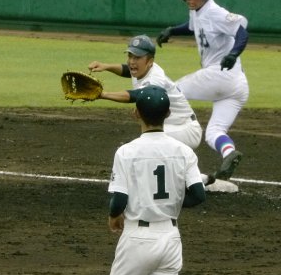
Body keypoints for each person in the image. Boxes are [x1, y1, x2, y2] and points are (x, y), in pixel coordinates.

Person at [105, 85, 206, 275]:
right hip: (170, 238)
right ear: (169, 113)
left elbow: (119, 199)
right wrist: (169, 205)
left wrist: (113, 216)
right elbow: (198, 195)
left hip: (138, 237)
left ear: (136, 113)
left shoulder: (126, 152)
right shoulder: (184, 151)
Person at [156, 0, 249, 180]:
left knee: (171, 92)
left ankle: (161, 142)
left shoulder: (215, 12)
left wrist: (234, 53)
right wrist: (172, 30)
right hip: (237, 86)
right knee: (214, 132)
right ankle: (229, 153)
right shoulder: (198, 11)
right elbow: (193, 26)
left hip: (220, 74)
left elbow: (242, 30)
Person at [89, 35, 215, 186]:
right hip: (172, 127)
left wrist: (103, 94)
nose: (132, 61)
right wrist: (106, 66)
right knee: (153, 147)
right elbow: (127, 70)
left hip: (185, 129)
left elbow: (136, 95)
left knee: (150, 146)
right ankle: (199, 179)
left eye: (137, 57)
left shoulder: (155, 79)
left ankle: (186, 179)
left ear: (150, 61)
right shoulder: (141, 69)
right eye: (130, 56)